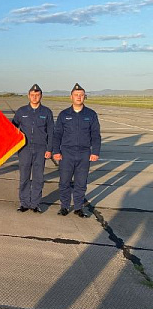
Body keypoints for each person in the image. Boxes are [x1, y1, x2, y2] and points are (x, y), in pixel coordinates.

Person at [53, 83, 101, 218]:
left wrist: (95, 152)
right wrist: (56, 151)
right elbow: (57, 134)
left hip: (84, 153)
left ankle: (78, 208)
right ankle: (64, 206)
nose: (79, 97)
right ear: (71, 97)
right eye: (76, 95)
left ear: (84, 97)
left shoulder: (91, 114)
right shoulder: (64, 114)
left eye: (81, 95)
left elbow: (95, 135)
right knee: (64, 182)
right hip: (66, 153)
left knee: (81, 182)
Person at [12, 84, 54, 213]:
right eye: (32, 95)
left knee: (38, 178)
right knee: (24, 177)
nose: (34, 97)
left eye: (37, 95)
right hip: (24, 149)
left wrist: (49, 149)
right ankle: (24, 203)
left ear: (41, 96)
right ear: (28, 96)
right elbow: (12, 127)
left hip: (41, 149)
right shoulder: (21, 111)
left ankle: (35, 203)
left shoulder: (46, 112)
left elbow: (51, 132)